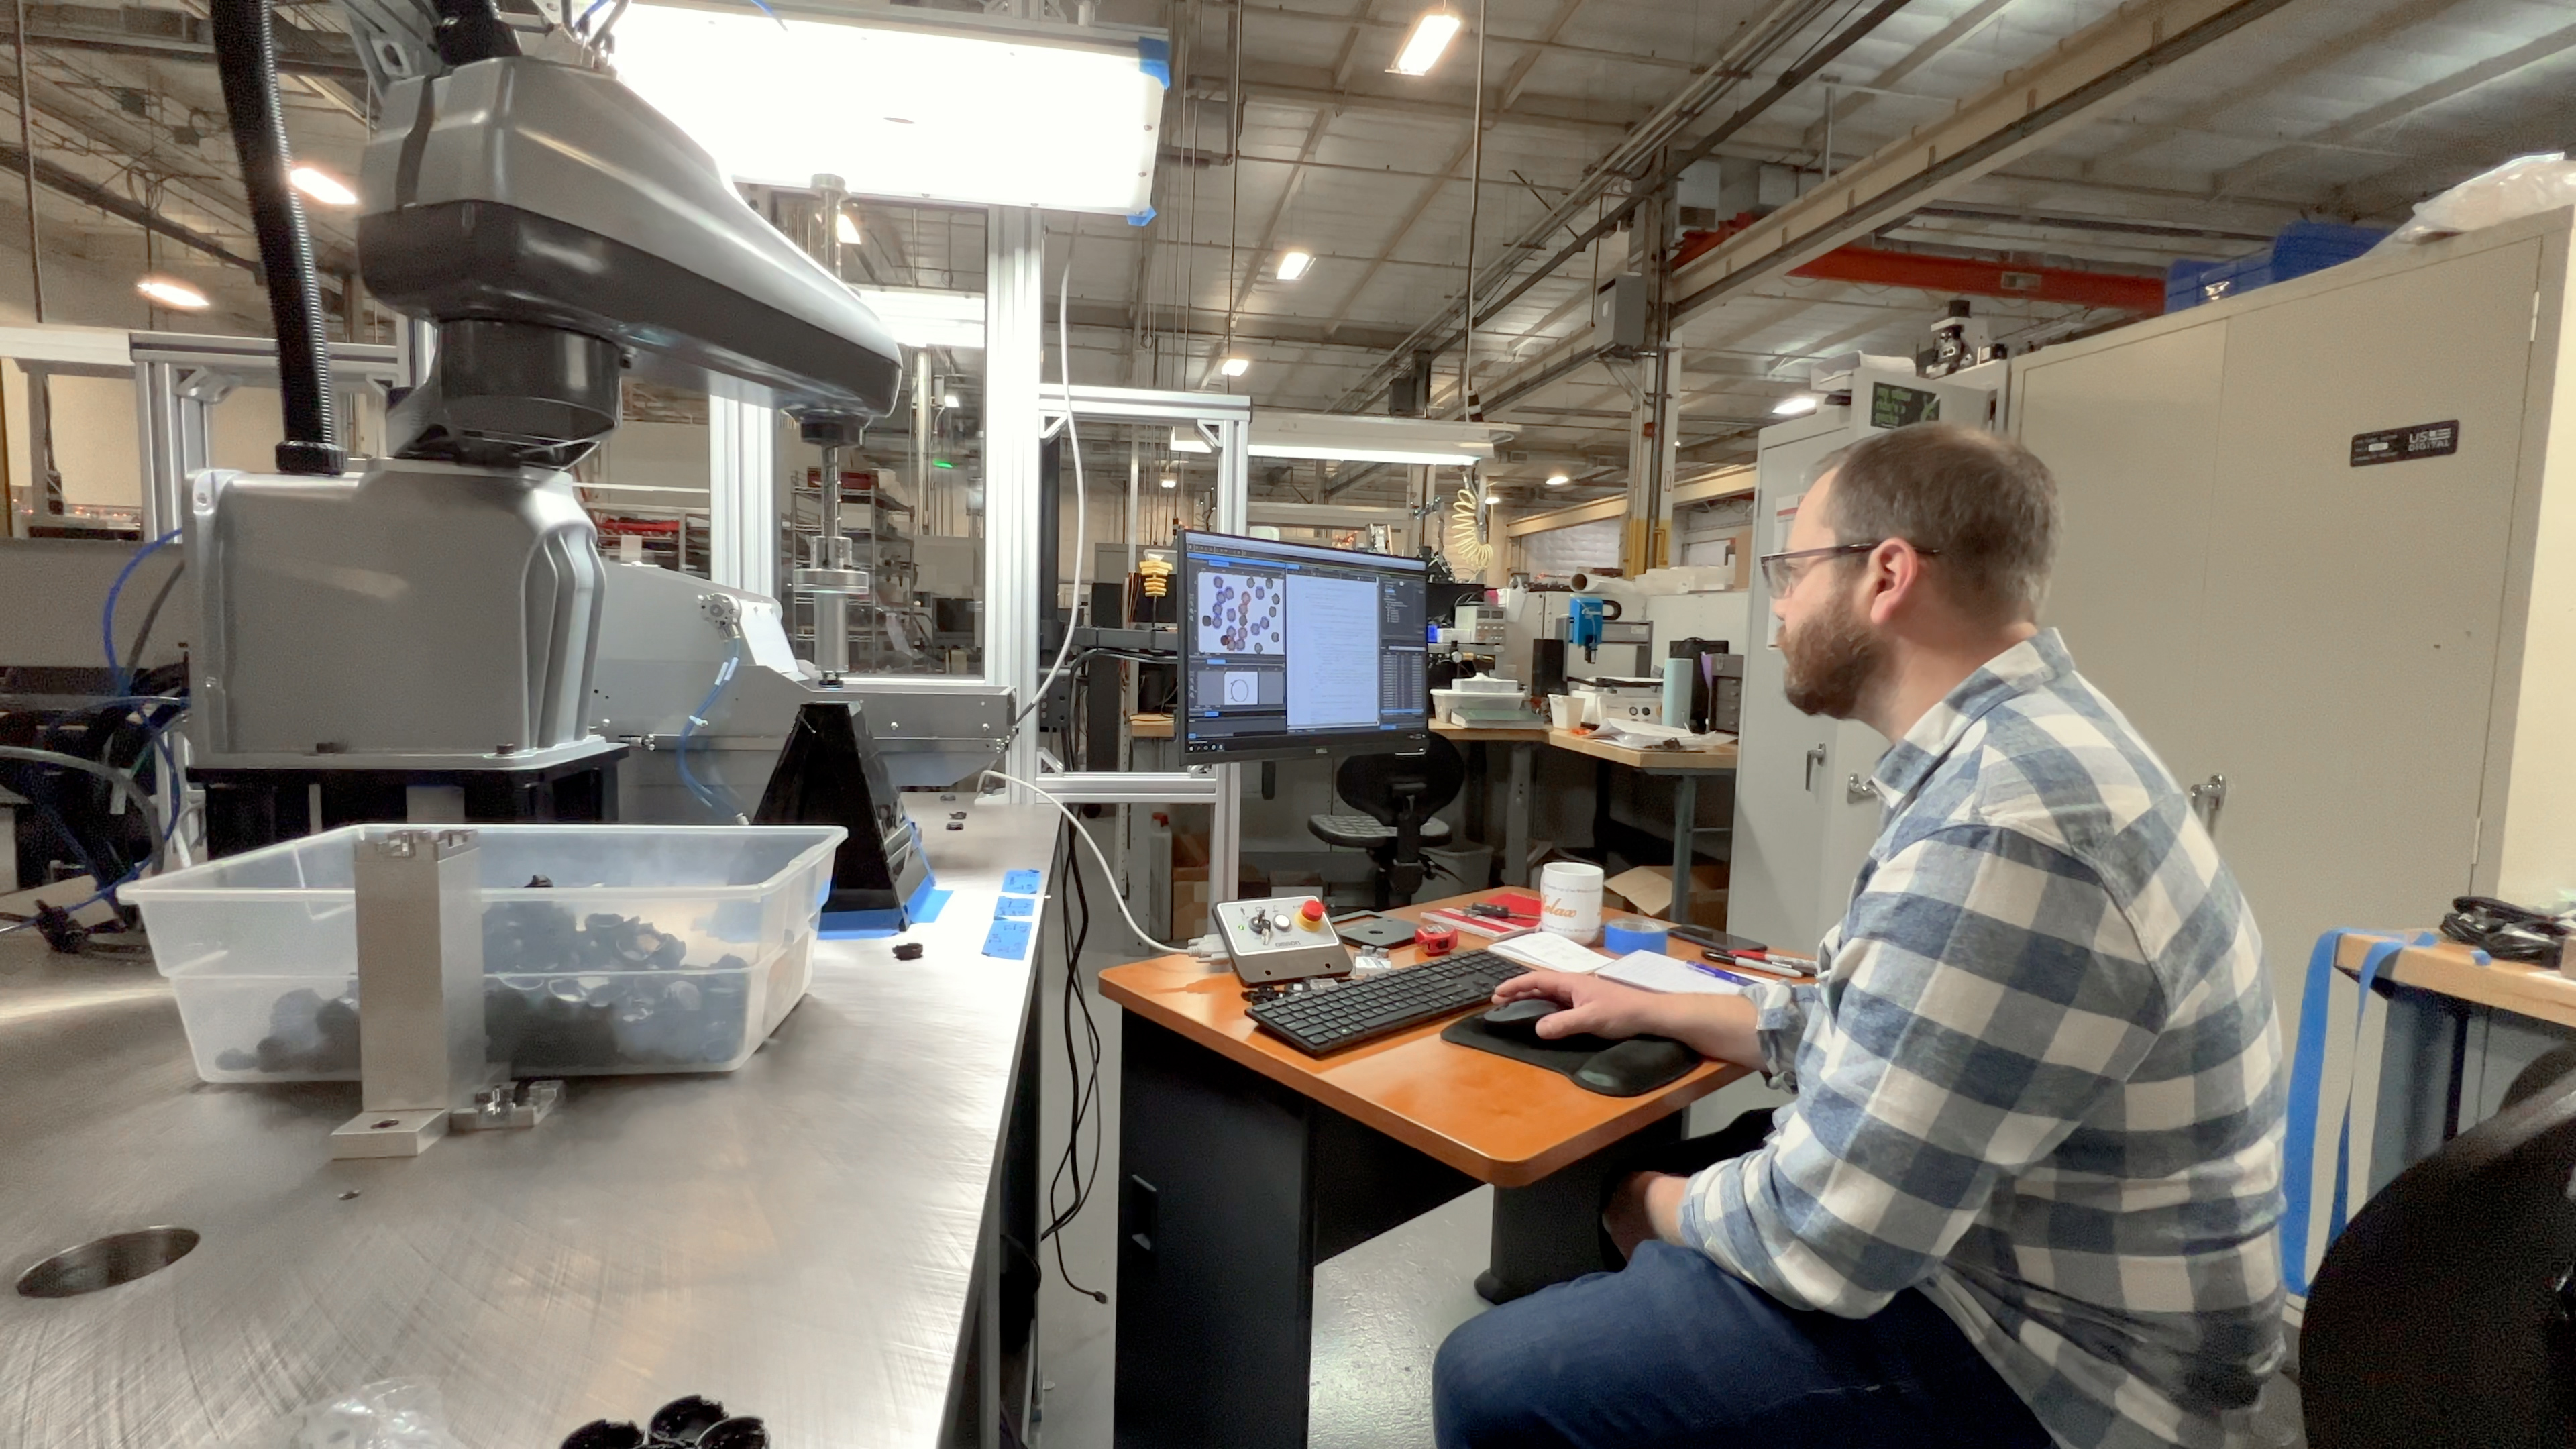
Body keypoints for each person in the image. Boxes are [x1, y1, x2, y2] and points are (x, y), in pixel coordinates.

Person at [1432, 423, 2285, 1449]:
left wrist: (1632, 1201)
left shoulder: (2003, 828)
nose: (1780, 605)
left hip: (2054, 1370)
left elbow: (1821, 1239)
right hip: (2009, 1260)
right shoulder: (2026, 744)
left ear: (1887, 575)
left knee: (1497, 1379)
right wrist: (1658, 1006)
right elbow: (1883, 1023)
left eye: (1792, 570)